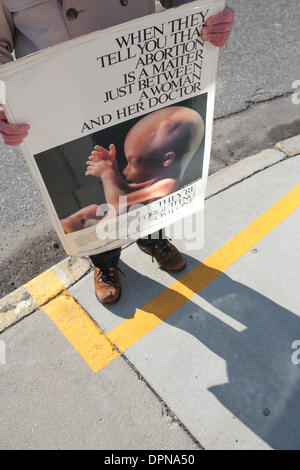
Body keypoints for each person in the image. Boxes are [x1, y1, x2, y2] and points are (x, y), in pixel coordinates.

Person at [0, 0, 234, 304]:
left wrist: (211, 12)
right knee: (84, 189)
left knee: (147, 177)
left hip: (134, 81)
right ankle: (105, 261)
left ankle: (153, 237)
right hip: (56, 107)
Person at [61, 106, 204, 233]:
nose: (126, 171)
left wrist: (107, 174)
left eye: (134, 163)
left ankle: (90, 228)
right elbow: (126, 191)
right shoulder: (157, 179)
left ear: (167, 159)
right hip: (129, 218)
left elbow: (118, 202)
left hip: (135, 226)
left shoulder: (167, 185)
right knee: (94, 210)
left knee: (109, 217)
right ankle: (76, 223)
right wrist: (113, 167)